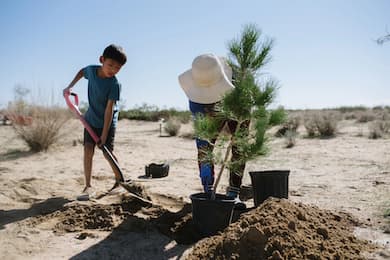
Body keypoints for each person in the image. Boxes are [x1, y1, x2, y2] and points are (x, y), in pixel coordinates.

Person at [178, 53, 247, 207]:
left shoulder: (239, 80)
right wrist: (206, 170)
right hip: (203, 107)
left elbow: (240, 138)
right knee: (204, 148)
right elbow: (203, 141)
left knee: (239, 145)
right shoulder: (196, 98)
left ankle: (233, 192)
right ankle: (208, 190)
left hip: (236, 103)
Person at [63, 44, 127, 199]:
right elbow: (81, 72)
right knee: (88, 150)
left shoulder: (114, 84)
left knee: (107, 152)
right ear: (102, 60)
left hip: (107, 121)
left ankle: (120, 181)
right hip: (90, 119)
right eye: (110, 65)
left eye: (117, 68)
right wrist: (70, 87)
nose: (113, 70)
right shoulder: (91, 71)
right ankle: (88, 185)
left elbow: (109, 110)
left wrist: (104, 135)